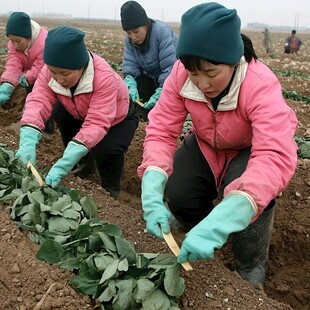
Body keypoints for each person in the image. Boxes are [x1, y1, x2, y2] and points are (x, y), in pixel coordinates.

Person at [137, 2, 298, 289]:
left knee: (248, 198)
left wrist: (234, 208)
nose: (201, 83)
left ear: (233, 59)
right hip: (205, 144)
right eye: (193, 73)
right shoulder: (181, 75)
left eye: (211, 74)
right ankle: (197, 231)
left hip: (248, 150)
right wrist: (152, 177)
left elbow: (273, 155)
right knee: (178, 191)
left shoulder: (260, 84)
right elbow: (161, 129)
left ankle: (249, 263)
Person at [15, 26, 139, 198]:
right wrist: (28, 133)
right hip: (79, 109)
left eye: (65, 73)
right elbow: (38, 100)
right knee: (60, 115)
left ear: (80, 66)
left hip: (116, 117)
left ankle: (110, 190)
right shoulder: (49, 72)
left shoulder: (103, 77)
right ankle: (84, 165)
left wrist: (68, 157)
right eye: (53, 72)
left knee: (106, 149)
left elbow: (97, 122)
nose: (58, 78)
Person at [120, 1, 177, 121]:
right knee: (132, 94)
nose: (133, 37)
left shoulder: (162, 33)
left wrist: (163, 90)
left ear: (145, 24)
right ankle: (142, 118)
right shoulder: (130, 41)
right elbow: (130, 64)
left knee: (165, 112)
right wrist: (129, 80)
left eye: (136, 31)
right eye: (129, 33)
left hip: (172, 80)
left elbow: (171, 67)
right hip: (150, 78)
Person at [0, 12, 54, 133]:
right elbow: (13, 65)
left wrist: (28, 76)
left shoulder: (44, 43)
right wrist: (7, 84)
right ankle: (28, 124)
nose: (15, 45)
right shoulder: (14, 45)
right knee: (30, 95)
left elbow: (42, 65)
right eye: (12, 40)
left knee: (43, 98)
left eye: (18, 41)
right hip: (31, 75)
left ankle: (47, 131)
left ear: (28, 36)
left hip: (50, 75)